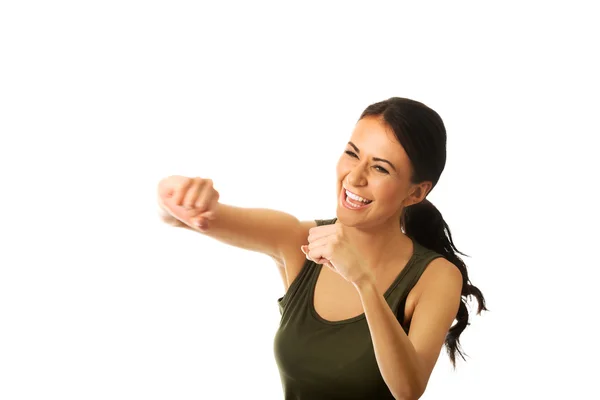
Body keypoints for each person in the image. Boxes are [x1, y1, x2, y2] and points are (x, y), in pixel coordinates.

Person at [157, 97, 486, 399]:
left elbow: (408, 389)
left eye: (380, 168)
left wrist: (363, 282)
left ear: (415, 193)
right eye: (352, 154)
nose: (354, 177)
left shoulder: (436, 277)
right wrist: (175, 194)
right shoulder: (299, 239)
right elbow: (195, 217)